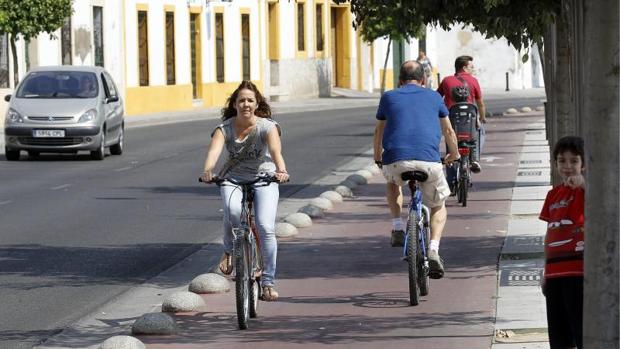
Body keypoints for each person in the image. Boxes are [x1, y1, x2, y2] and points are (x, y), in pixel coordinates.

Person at [200, 81, 289, 301]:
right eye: (241, 100)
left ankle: (268, 282)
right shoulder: (225, 128)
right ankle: (229, 249)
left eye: (250, 100)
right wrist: (208, 171)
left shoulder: (267, 127)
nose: (246, 104)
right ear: (235, 104)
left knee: (266, 227)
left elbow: (276, 151)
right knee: (231, 211)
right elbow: (214, 152)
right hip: (233, 177)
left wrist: (282, 170)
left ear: (257, 104)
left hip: (264, 177)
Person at [373, 60, 460, 279]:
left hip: (396, 160)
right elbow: (448, 131)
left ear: (400, 80)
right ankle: (433, 248)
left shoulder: (388, 97)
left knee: (393, 182)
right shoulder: (434, 97)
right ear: (423, 80)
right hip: (429, 162)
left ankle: (397, 227)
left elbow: (378, 132)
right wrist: (454, 154)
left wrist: (378, 158)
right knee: (438, 204)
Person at [539, 136, 585, 349]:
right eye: (562, 161)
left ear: (583, 164)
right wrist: (544, 270)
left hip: (578, 272)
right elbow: (550, 233)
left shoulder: (588, 191)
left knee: (581, 330)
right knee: (559, 337)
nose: (568, 166)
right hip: (554, 273)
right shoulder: (553, 195)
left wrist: (584, 184)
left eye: (574, 161)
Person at [437, 55, 486, 174]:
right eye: (471, 67)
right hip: (469, 120)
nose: (473, 69)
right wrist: (482, 118)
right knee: (480, 132)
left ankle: (451, 178)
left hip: (451, 120)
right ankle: (474, 159)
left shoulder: (446, 80)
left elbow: (437, 98)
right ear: (464, 67)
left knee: (450, 140)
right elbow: (480, 104)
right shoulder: (473, 81)